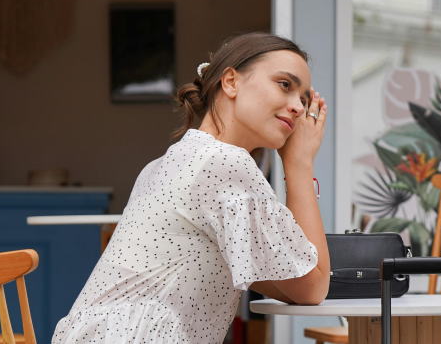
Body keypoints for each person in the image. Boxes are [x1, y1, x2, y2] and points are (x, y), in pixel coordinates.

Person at [52, 32, 330, 343]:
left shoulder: (164, 164)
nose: (297, 107)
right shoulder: (225, 163)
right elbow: (313, 287)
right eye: (285, 85)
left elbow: (293, 284)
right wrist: (300, 164)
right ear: (231, 82)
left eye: (304, 100)